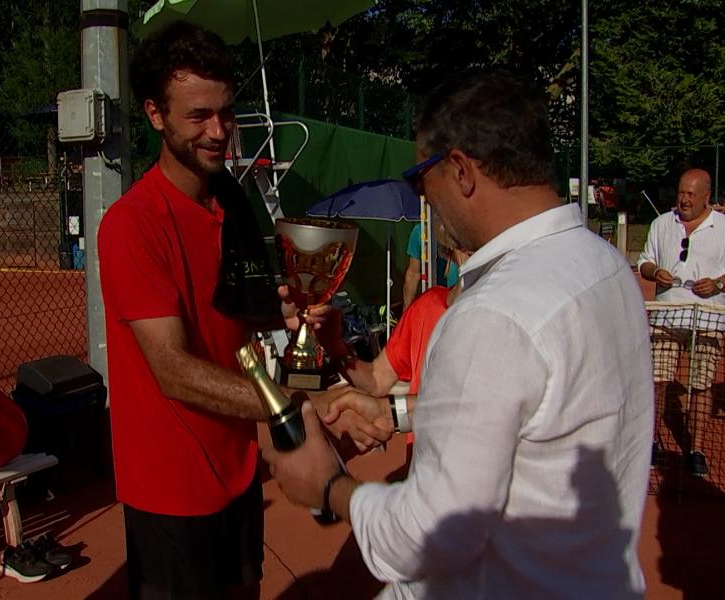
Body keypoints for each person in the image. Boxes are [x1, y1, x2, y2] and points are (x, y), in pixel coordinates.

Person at [263, 69, 654, 598]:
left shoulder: (492, 313)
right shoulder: (606, 265)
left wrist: (329, 488)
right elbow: (538, 414)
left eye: (420, 178)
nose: (426, 198)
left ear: (462, 171)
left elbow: (427, 537)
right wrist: (394, 410)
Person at [96, 23, 358, 599]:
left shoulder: (231, 204)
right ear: (155, 115)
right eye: (198, 116)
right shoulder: (131, 225)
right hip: (171, 489)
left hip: (237, 470)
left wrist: (293, 313)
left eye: (225, 112)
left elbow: (238, 310)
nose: (219, 131)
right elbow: (173, 368)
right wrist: (294, 406)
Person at [637, 168, 725, 476]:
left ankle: (696, 448)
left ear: (706, 197)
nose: (684, 200)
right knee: (657, 382)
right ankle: (652, 440)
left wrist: (718, 283)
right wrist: (654, 272)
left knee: (701, 385)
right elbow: (644, 261)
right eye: (681, 193)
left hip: (708, 318)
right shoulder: (662, 223)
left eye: (691, 194)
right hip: (666, 315)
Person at [324, 227, 471, 465]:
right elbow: (376, 379)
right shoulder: (426, 306)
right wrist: (332, 345)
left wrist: (389, 413)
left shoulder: (511, 319)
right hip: (423, 476)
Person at [401, 222, 459, 309]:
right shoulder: (420, 231)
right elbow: (413, 274)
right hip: (432, 306)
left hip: (459, 303)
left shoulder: (461, 231)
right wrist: (406, 314)